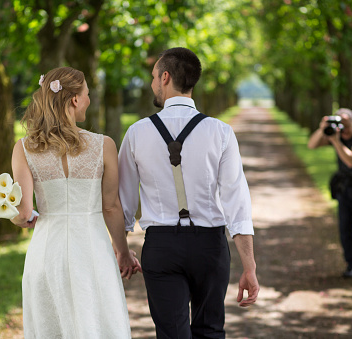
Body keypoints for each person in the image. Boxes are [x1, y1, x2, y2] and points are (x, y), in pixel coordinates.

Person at [118, 47, 259, 339]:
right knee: (210, 331)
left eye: (154, 77)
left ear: (165, 77)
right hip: (210, 248)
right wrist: (249, 266)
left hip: (161, 248)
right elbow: (237, 201)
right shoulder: (221, 132)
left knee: (171, 334)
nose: (152, 83)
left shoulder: (136, 132)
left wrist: (121, 251)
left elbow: (124, 203)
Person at [10, 66, 141, 338]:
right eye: (87, 94)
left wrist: (17, 216)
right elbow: (111, 207)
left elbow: (22, 213)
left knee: (51, 326)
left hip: (47, 251)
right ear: (74, 100)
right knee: (98, 323)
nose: (89, 100)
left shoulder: (24, 148)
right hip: (92, 249)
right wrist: (123, 252)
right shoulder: (104, 145)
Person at [307, 108, 352, 278]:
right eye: (339, 124)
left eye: (345, 123)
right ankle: (351, 264)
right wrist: (322, 128)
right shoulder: (335, 134)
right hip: (345, 189)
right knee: (345, 229)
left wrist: (336, 141)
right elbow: (312, 144)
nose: (343, 128)